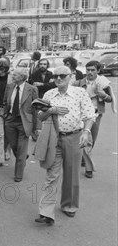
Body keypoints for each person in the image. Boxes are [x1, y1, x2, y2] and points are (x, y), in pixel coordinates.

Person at [36, 66, 95, 225]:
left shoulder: (79, 93)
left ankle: (68, 205)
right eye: (55, 76)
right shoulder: (49, 94)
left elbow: (89, 115)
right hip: (54, 137)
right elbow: (40, 116)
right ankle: (46, 211)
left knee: (71, 174)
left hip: (74, 137)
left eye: (62, 76)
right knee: (51, 174)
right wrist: (51, 110)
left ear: (71, 76)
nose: (58, 79)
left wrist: (86, 132)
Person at [75, 60, 114, 178]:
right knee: (86, 140)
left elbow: (110, 100)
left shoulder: (103, 83)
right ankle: (89, 168)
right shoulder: (78, 83)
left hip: (96, 114)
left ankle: (84, 158)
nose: (90, 72)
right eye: (88, 70)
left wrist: (103, 95)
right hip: (81, 115)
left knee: (93, 139)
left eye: (93, 70)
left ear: (98, 71)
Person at [3, 68, 38, 182]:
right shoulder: (9, 87)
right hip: (10, 120)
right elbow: (5, 102)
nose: (12, 76)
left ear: (22, 77)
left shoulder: (32, 89)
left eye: (15, 75)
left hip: (24, 121)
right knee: (14, 146)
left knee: (21, 148)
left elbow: (36, 108)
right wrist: (5, 114)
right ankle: (22, 157)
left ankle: (19, 174)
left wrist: (37, 126)